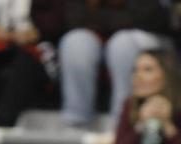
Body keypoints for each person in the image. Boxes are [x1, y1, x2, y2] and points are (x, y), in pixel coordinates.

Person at [57, 0, 171, 128]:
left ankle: (123, 122)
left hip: (146, 36)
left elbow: (152, 18)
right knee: (76, 42)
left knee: (121, 44)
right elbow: (73, 19)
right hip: (99, 35)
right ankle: (77, 122)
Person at [0, 0, 65, 126]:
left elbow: (60, 17)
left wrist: (35, 33)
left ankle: (3, 122)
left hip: (37, 42)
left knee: (27, 61)